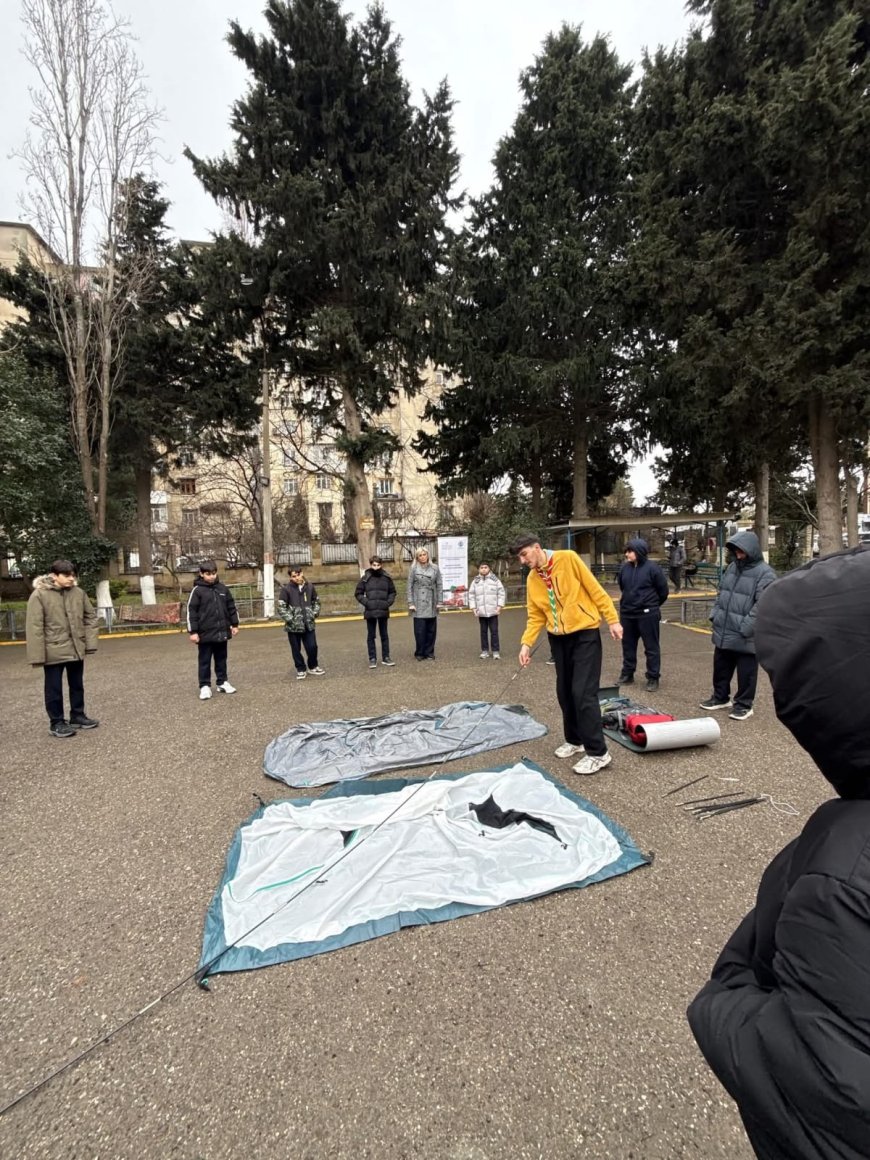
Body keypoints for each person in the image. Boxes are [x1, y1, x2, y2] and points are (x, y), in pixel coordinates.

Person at [688, 547, 870, 1160]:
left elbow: (825, 1105)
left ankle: (736, 700)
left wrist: (733, 977)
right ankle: (726, 694)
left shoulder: (842, 874)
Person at [510, 533, 623, 776]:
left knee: (583, 693)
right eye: (519, 556)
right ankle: (575, 740)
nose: (522, 560)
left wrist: (612, 620)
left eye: (524, 554)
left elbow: (596, 590)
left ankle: (598, 753)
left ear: (537, 548)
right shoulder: (533, 579)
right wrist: (526, 644)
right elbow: (535, 615)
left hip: (585, 633)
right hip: (558, 639)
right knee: (565, 692)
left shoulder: (568, 559)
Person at [699, 530, 776, 721]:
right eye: (736, 551)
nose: (739, 554)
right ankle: (720, 697)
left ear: (752, 551)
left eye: (742, 551)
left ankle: (743, 705)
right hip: (724, 628)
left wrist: (746, 627)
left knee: (746, 673)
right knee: (721, 667)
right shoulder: (732, 567)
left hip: (745, 633)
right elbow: (721, 593)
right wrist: (715, 615)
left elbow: (763, 605)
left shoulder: (765, 574)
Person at [26, 558, 99, 738]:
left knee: (77, 685)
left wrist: (89, 644)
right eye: (66, 575)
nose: (71, 579)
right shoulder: (39, 595)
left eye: (73, 575)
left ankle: (78, 715)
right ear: (54, 575)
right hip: (52, 650)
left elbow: (90, 617)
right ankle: (56, 722)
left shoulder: (78, 593)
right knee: (54, 689)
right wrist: (37, 656)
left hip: (75, 648)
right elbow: (34, 626)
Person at [616, 538, 669, 692]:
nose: (627, 554)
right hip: (627, 614)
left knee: (651, 647)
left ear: (639, 552)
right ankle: (628, 673)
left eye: (630, 551)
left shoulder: (653, 568)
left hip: (647, 614)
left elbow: (663, 592)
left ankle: (653, 677)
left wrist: (651, 605)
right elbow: (622, 587)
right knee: (628, 646)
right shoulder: (624, 568)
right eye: (626, 551)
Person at [186, 560, 240, 699]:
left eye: (214, 574)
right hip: (205, 634)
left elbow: (231, 607)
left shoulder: (223, 589)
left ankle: (222, 682)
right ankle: (204, 686)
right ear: (201, 574)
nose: (211, 577)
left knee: (221, 659)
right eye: (208, 574)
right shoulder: (197, 591)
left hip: (222, 632)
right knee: (204, 661)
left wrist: (234, 625)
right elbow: (191, 612)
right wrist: (193, 632)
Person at [278, 566, 325, 680]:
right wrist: (290, 619)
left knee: (312, 646)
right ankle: (300, 669)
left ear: (302, 573)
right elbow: (281, 607)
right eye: (293, 576)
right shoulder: (286, 589)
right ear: (290, 577)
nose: (297, 577)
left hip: (308, 623)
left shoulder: (310, 587)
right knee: (296, 649)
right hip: (293, 626)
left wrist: (313, 614)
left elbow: (316, 602)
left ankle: (313, 666)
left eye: (298, 575)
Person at [354, 555, 397, 668]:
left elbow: (392, 592)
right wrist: (367, 602)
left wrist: (388, 602)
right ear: (371, 564)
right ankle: (372, 658)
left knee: (384, 635)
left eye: (378, 565)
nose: (376, 567)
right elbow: (358, 593)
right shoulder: (365, 577)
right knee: (371, 636)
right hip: (371, 611)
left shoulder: (387, 577)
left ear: (381, 565)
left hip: (383, 609)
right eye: (374, 565)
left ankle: (386, 657)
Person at [407, 547, 443, 660]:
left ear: (428, 555)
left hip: (431, 600)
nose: (423, 557)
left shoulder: (435, 568)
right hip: (418, 601)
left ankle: (429, 652)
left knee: (431, 630)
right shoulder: (413, 568)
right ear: (417, 557)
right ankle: (419, 652)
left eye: (424, 554)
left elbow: (439, 585)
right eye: (420, 555)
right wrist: (410, 602)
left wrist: (439, 601)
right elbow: (409, 586)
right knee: (419, 630)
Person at [468, 561, 506, 659]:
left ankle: (495, 651)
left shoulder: (495, 580)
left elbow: (501, 593)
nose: (484, 569)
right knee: (483, 632)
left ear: (489, 568)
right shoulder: (475, 581)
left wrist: (499, 606)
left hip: (493, 611)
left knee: (494, 631)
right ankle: (484, 651)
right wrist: (474, 608)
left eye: (485, 567)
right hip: (481, 612)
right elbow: (471, 595)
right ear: (479, 569)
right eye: (482, 567)